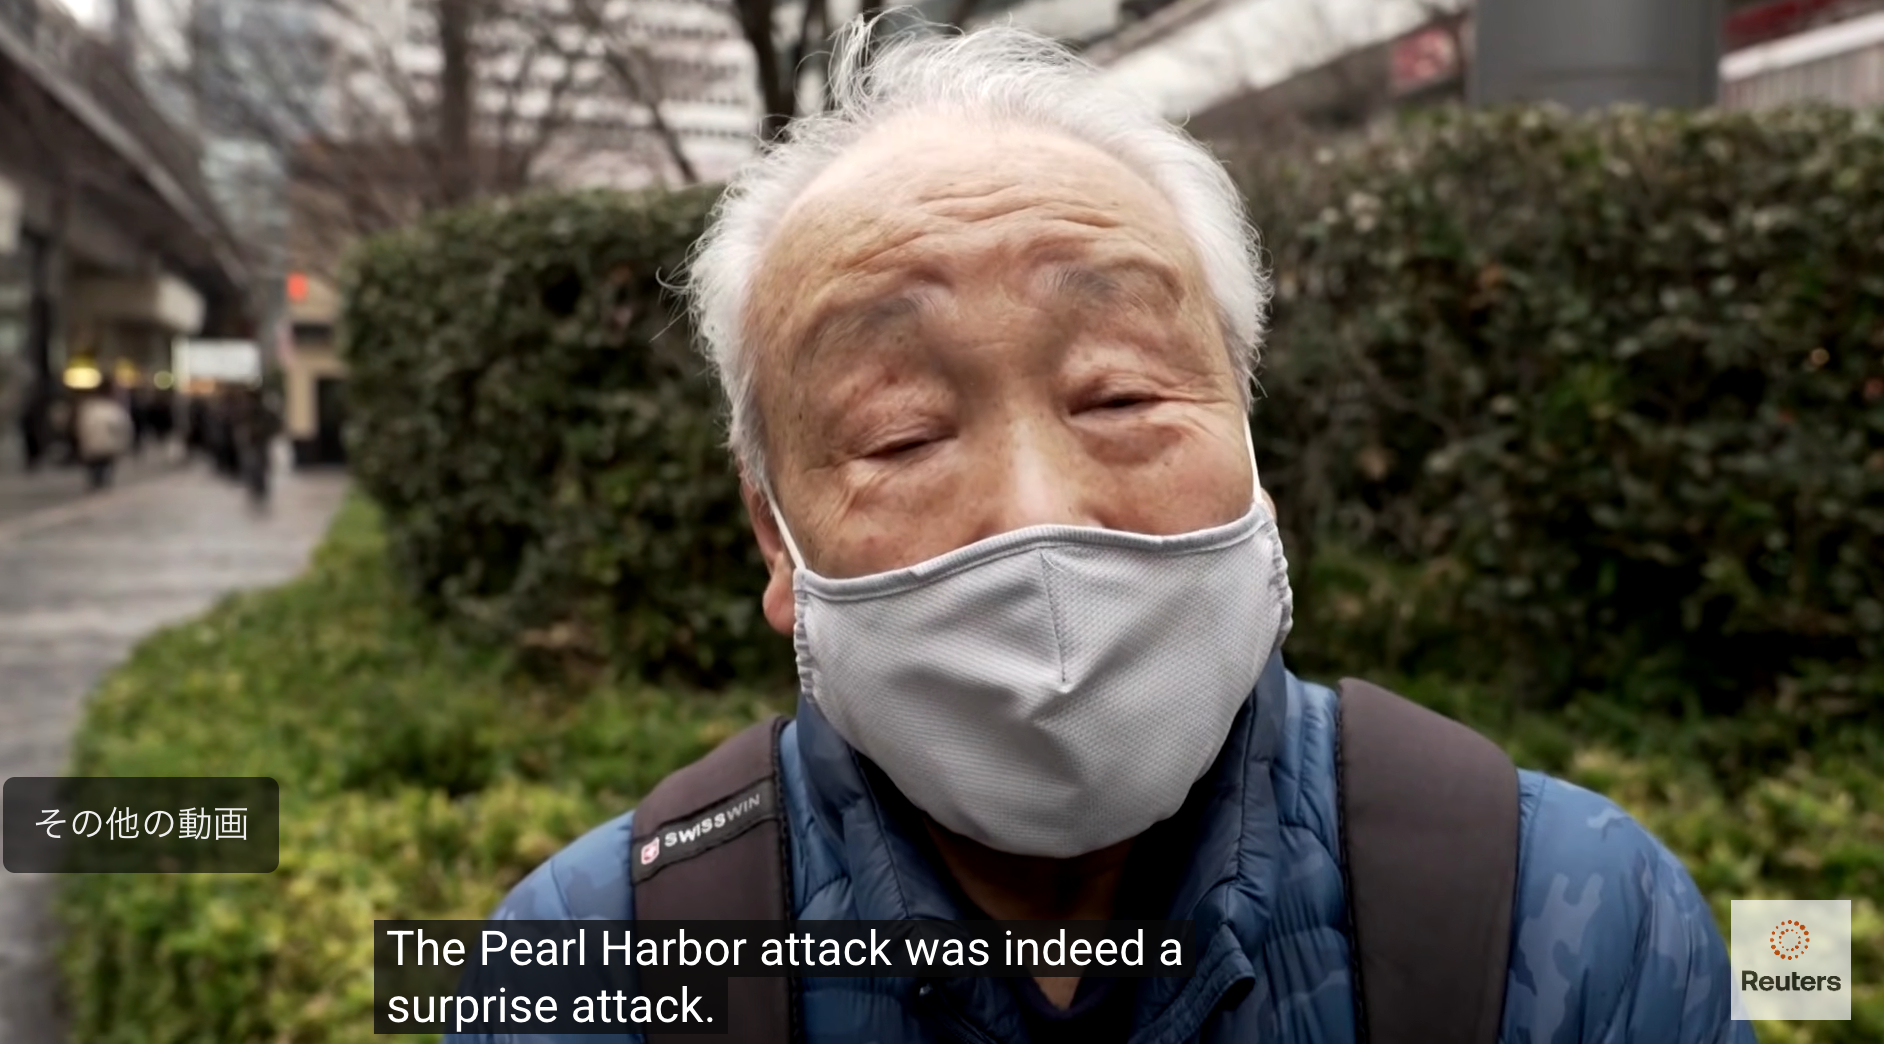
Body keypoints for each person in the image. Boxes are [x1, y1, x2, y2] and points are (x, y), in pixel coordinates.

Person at [452, 21, 1749, 1044]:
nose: (1040, 519)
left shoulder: (1574, 921)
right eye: (902, 435)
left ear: (1253, 449)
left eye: (1121, 397)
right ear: (776, 540)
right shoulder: (587, 970)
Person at [74, 376, 132, 491]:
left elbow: (80, 426)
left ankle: (96, 485)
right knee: (103, 468)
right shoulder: (111, 408)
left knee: (95, 468)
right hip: (107, 445)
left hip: (91, 445)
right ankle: (100, 486)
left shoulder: (88, 407)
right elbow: (122, 427)